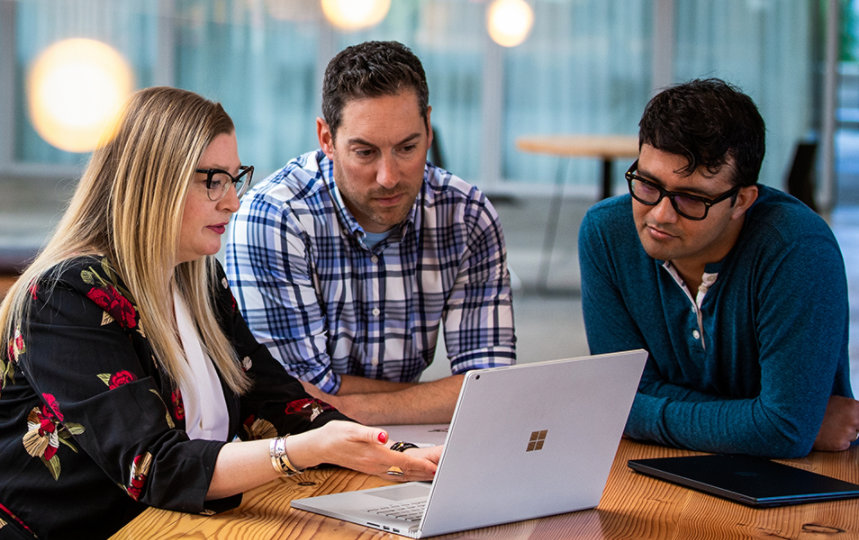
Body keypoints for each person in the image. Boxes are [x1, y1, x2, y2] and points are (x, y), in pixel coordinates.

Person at [0, 86, 440, 540]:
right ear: (154, 183)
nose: (232, 200)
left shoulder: (201, 282)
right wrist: (297, 452)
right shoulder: (65, 297)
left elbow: (278, 404)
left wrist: (401, 453)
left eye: (235, 177)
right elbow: (155, 467)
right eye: (213, 180)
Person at [226, 41, 516, 425]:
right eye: (365, 152)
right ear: (326, 139)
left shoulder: (466, 215)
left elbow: (493, 388)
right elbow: (295, 400)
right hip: (300, 451)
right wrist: (449, 393)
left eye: (407, 147)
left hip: (415, 439)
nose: (389, 177)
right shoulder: (274, 218)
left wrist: (353, 406)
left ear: (429, 128)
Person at [578, 78, 859, 459]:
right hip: (659, 468)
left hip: (799, 484)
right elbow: (615, 400)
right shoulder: (607, 234)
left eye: (690, 199)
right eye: (647, 184)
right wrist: (760, 419)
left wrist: (638, 412)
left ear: (742, 200)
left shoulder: (797, 250)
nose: (660, 214)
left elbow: (785, 430)